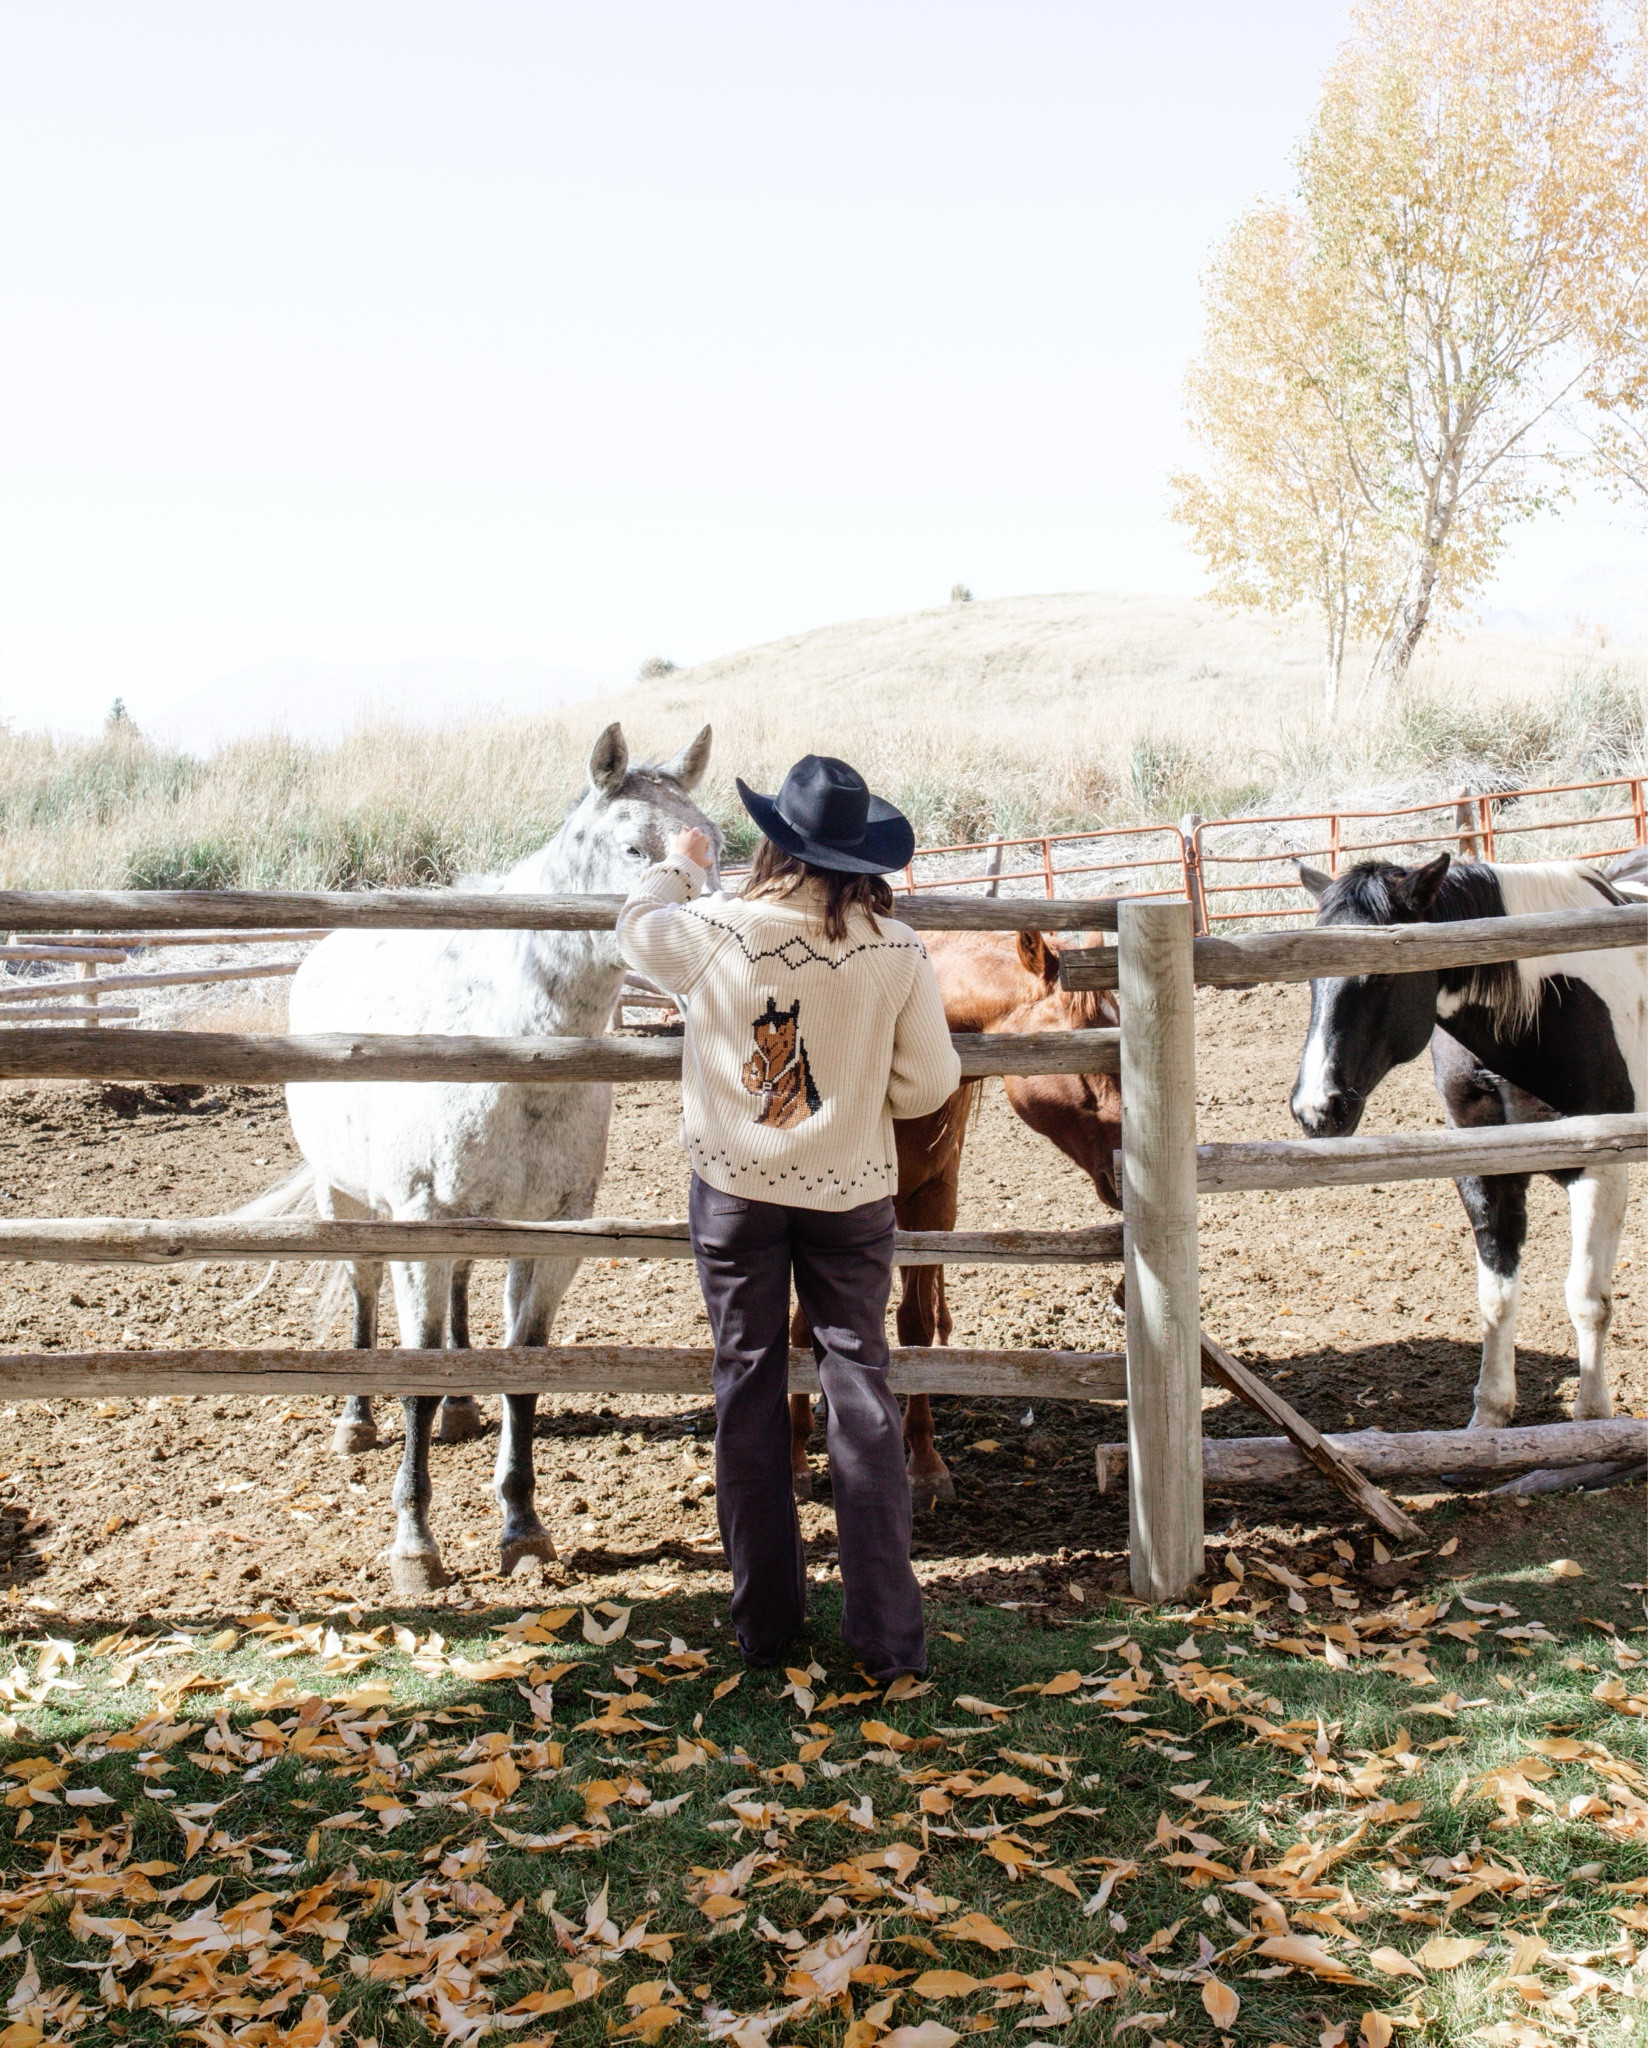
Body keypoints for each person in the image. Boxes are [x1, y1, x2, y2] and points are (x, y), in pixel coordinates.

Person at [617, 754, 961, 1679]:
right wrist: (850, 1098)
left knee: (749, 1388)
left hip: (735, 1193)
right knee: (864, 1397)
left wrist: (682, 864)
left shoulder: (715, 929)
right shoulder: (897, 949)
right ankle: (888, 1640)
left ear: (775, 842)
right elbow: (931, 1080)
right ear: (861, 857)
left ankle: (765, 1628)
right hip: (851, 1197)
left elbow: (633, 932)